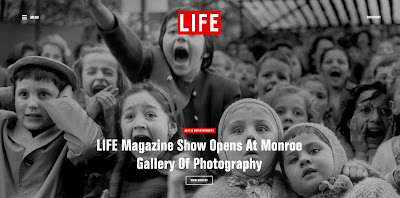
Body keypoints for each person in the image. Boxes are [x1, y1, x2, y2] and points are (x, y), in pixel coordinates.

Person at [83, 0, 241, 168]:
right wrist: (96, 6)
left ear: (206, 50)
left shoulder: (226, 88)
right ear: (162, 43)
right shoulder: (151, 62)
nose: (181, 36)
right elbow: (123, 42)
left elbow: (235, 148)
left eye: (192, 33)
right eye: (173, 31)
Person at [0, 56, 103, 198]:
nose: (32, 104)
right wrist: (5, 93)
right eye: (23, 94)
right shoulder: (3, 125)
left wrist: (66, 102)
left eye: (43, 94)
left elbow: (88, 145)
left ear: (61, 98)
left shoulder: (69, 136)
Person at [168, 98, 297, 198]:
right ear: (223, 148)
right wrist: (175, 187)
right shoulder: (207, 195)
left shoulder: (296, 187)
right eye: (238, 130)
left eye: (261, 129)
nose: (250, 135)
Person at [107, 81, 184, 198]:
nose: (138, 124)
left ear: (171, 127)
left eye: (150, 115)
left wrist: (176, 188)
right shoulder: (114, 170)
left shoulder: (187, 170)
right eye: (130, 116)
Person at [281, 122, 399, 198]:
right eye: (293, 159)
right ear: (287, 179)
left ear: (336, 156)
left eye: (314, 151)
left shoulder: (368, 188)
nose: (304, 159)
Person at [72, 47, 131, 139]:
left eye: (108, 73)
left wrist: (110, 118)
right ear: (80, 79)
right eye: (91, 72)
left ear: (118, 81)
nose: (100, 77)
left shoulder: (128, 111)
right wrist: (89, 115)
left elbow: (118, 151)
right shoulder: (70, 110)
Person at [336, 82, 394, 163]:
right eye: (365, 110)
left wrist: (386, 151)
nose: (376, 118)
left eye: (385, 111)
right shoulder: (332, 155)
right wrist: (361, 155)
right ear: (349, 121)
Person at [319, 47, 356, 128]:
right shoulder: (312, 94)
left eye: (341, 62)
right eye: (329, 62)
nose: (335, 65)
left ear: (349, 71)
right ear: (320, 70)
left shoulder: (357, 94)